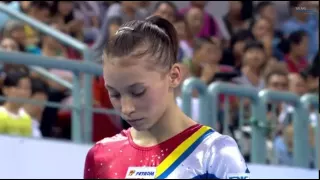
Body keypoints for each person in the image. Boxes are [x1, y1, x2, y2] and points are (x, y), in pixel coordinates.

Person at [84, 16, 249, 179]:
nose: (127, 109)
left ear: (174, 76)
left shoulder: (216, 153)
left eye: (138, 92)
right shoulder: (101, 157)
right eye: (114, 94)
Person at [0, 71, 32, 137]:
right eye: (19, 87)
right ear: (5, 89)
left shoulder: (26, 118)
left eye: (27, 88)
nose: (23, 92)